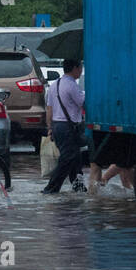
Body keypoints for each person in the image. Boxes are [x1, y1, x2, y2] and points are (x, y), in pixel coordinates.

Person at [43, 58, 86, 194]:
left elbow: (49, 109)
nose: (81, 71)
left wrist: (50, 128)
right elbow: (82, 103)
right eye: (80, 67)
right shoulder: (72, 85)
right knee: (67, 158)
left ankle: (78, 188)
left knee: (75, 159)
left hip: (57, 126)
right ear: (74, 68)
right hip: (68, 127)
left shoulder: (54, 85)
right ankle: (50, 189)